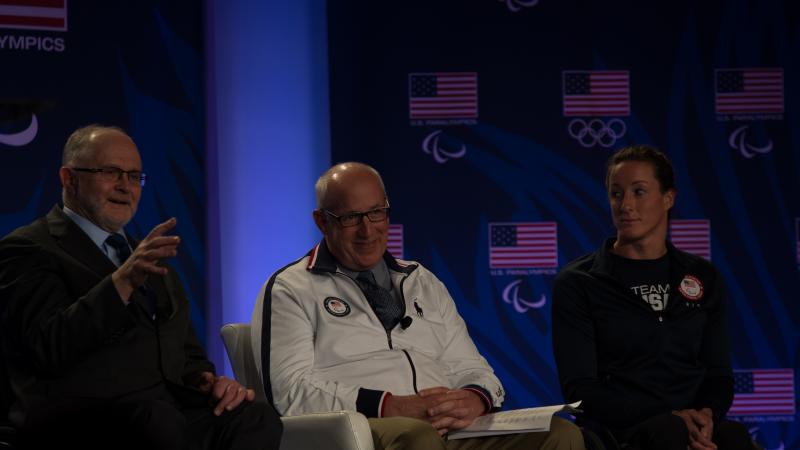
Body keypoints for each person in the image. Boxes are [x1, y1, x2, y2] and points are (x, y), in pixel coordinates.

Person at [251, 162, 584, 450]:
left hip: (448, 428)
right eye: (351, 217)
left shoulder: (420, 279)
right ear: (323, 222)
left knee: (560, 435)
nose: (368, 230)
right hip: (367, 429)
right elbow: (288, 392)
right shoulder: (291, 288)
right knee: (416, 436)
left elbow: (472, 367)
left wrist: (475, 398)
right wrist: (387, 406)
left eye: (377, 212)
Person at [0, 125, 282, 449]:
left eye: (135, 176)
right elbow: (46, 346)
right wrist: (121, 282)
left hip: (161, 414)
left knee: (254, 418)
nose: (125, 186)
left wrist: (208, 380)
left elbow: (186, 353)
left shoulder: (146, 257)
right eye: (111, 172)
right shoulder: (28, 248)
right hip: (77, 418)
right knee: (157, 421)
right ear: (69, 179)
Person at [552, 145, 753, 450]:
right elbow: (580, 391)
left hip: (690, 424)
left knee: (733, 437)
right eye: (616, 193)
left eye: (639, 191)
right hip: (619, 430)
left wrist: (705, 416)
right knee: (668, 431)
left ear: (668, 198)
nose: (625, 204)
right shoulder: (580, 282)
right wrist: (671, 417)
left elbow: (719, 374)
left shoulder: (703, 277)